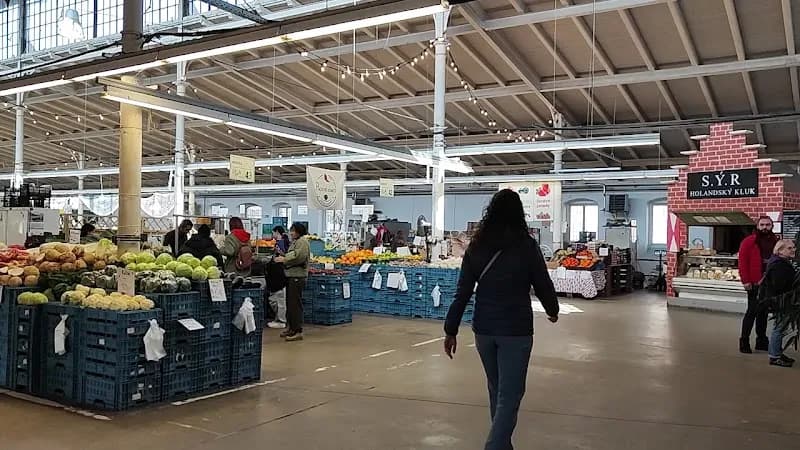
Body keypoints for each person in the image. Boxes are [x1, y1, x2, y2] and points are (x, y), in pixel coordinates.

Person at [444, 189, 559, 450]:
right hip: (516, 329)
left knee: (497, 390)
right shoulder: (526, 245)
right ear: (519, 214)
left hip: (484, 329)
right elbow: (542, 283)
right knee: (511, 394)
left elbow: (462, 292)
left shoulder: (477, 245)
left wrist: (451, 330)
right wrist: (552, 310)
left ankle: (502, 445)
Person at [739, 216, 779, 353]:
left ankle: (761, 340)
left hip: (770, 283)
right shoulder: (749, 241)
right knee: (752, 312)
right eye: (762, 224)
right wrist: (745, 280)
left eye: (767, 224)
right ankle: (744, 341)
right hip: (754, 282)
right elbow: (742, 262)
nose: (765, 227)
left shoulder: (776, 241)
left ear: (772, 226)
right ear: (757, 226)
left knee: (763, 313)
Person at [761, 239, 798, 367]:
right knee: (779, 328)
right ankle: (774, 356)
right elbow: (780, 286)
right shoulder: (779, 266)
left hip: (782, 301)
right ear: (780, 251)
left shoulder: (781, 262)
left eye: (793, 247)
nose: (793, 250)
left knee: (780, 327)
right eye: (789, 248)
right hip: (781, 302)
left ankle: (777, 352)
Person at [274, 222, 310, 342]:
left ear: (299, 231)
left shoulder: (302, 242)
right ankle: (291, 328)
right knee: (290, 303)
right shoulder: (296, 241)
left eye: (293, 231)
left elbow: (298, 256)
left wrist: (284, 259)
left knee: (295, 304)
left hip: (297, 276)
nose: (291, 233)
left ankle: (297, 330)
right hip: (291, 275)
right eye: (291, 230)